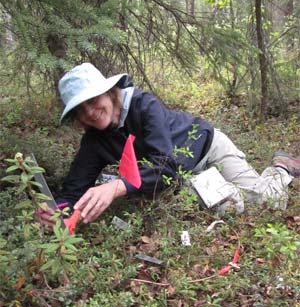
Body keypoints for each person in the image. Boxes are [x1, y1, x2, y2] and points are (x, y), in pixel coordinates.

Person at [36, 62, 300, 228]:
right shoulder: (95, 140)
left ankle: (280, 167)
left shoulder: (143, 105)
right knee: (230, 206)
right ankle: (223, 187)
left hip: (208, 146)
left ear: (108, 92)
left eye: (93, 101)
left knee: (269, 202)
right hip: (183, 175)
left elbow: (164, 165)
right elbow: (73, 189)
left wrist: (116, 186)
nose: (90, 113)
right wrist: (55, 210)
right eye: (80, 111)